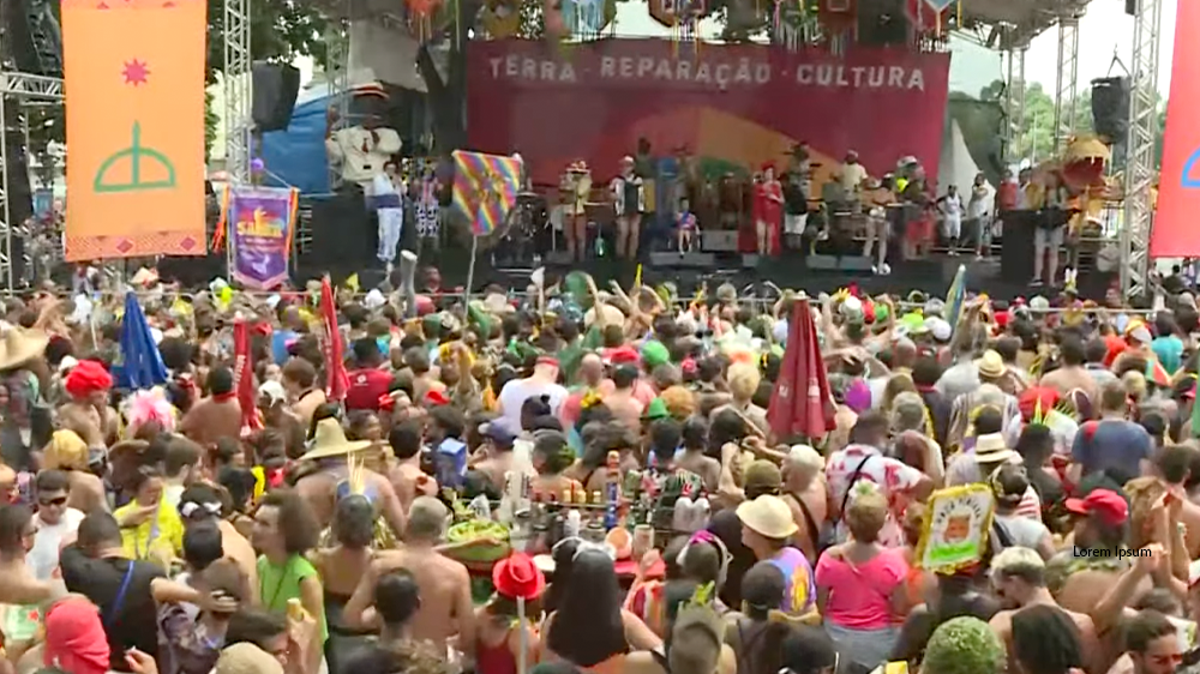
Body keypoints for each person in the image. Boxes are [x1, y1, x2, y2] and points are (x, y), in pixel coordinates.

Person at [343, 496, 476, 652]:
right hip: (433, 661)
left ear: (408, 523)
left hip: (391, 658)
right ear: (440, 531)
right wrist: (445, 640)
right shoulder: (456, 573)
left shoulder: (381, 566)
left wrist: (379, 616)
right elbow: (468, 636)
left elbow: (350, 618)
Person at [816, 489, 908, 672]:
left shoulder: (829, 558)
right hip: (877, 640)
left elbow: (820, 606)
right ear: (881, 524)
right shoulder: (893, 563)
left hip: (836, 637)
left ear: (849, 521)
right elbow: (900, 608)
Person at [61, 512, 167, 670]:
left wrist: (120, 521)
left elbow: (67, 544)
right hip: (140, 665)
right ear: (121, 540)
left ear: (84, 545)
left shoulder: (78, 570)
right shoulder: (151, 572)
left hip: (94, 664)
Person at [252, 489, 326, 673]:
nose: (255, 529)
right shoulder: (262, 563)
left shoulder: (304, 577)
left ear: (286, 533)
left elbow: (316, 639)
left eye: (264, 524)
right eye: (256, 520)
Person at [735, 495, 815, 618]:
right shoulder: (797, 555)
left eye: (747, 526)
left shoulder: (766, 575)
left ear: (760, 534)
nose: (742, 529)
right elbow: (811, 605)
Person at [27, 469, 84, 581]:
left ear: (69, 496)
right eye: (45, 501)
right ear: (35, 498)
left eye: (58, 501)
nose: (52, 508)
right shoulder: (27, 530)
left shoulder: (79, 519)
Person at [611, 156, 645, 261]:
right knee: (623, 232)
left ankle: (632, 258)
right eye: (624, 166)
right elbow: (608, 193)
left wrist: (642, 201)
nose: (625, 168)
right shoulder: (616, 180)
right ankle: (620, 257)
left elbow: (643, 195)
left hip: (636, 210)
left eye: (628, 166)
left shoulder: (638, 180)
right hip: (622, 209)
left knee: (634, 232)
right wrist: (612, 196)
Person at [754, 165, 783, 257]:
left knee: (770, 237)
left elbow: (782, 200)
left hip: (771, 212)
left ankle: (768, 255)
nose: (769, 174)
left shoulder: (777, 185)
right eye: (767, 172)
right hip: (760, 211)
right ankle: (761, 254)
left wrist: (774, 198)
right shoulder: (759, 184)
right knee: (760, 235)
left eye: (771, 172)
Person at [937, 184, 964, 254]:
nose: (951, 191)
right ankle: (949, 248)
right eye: (950, 189)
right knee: (948, 232)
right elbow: (936, 202)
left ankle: (955, 249)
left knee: (956, 231)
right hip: (948, 215)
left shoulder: (958, 197)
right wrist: (940, 211)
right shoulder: (946, 197)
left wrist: (964, 211)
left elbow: (960, 204)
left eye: (953, 189)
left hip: (956, 215)